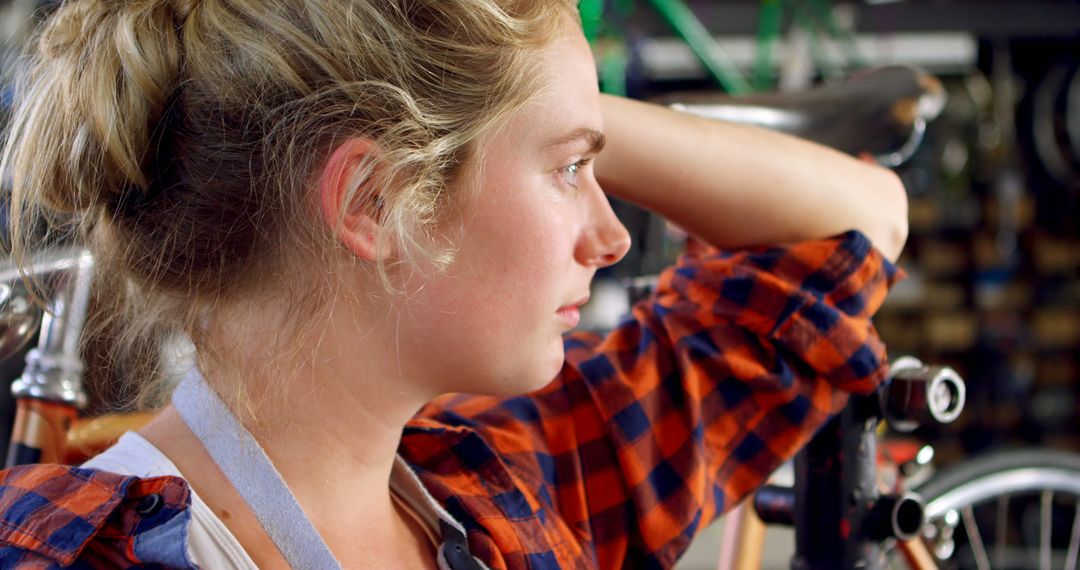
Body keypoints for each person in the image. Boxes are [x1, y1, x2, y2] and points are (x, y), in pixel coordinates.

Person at [0, 0, 907, 568]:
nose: (611, 233)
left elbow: (852, 230)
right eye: (567, 172)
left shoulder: (500, 485)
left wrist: (540, 105)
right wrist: (501, 100)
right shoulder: (66, 553)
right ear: (377, 199)